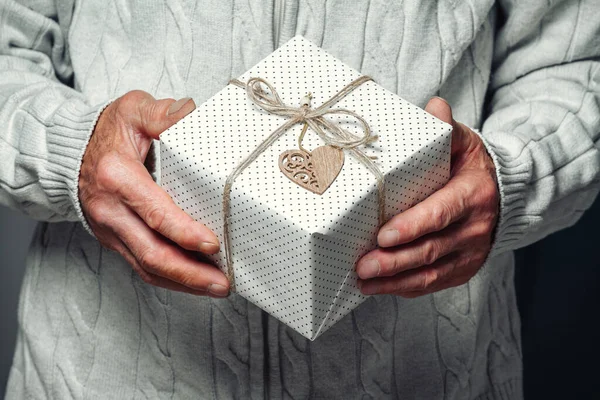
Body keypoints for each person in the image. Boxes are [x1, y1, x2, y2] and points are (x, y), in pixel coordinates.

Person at [1, 0, 598, 398]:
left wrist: (514, 176)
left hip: (430, 375)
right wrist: (69, 151)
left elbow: (575, 62)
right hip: (98, 373)